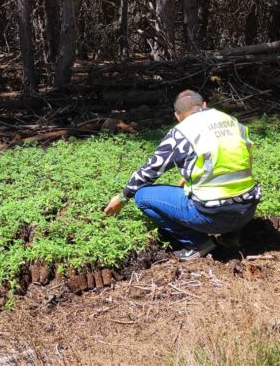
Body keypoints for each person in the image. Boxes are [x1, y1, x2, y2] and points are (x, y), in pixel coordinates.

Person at [103, 90, 261, 261]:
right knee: (231, 191)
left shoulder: (182, 131)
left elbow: (150, 170)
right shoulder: (231, 122)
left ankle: (198, 243)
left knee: (142, 196)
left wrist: (123, 197)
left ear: (177, 116)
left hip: (212, 216)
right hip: (247, 209)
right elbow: (240, 160)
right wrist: (193, 176)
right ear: (204, 105)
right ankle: (231, 238)